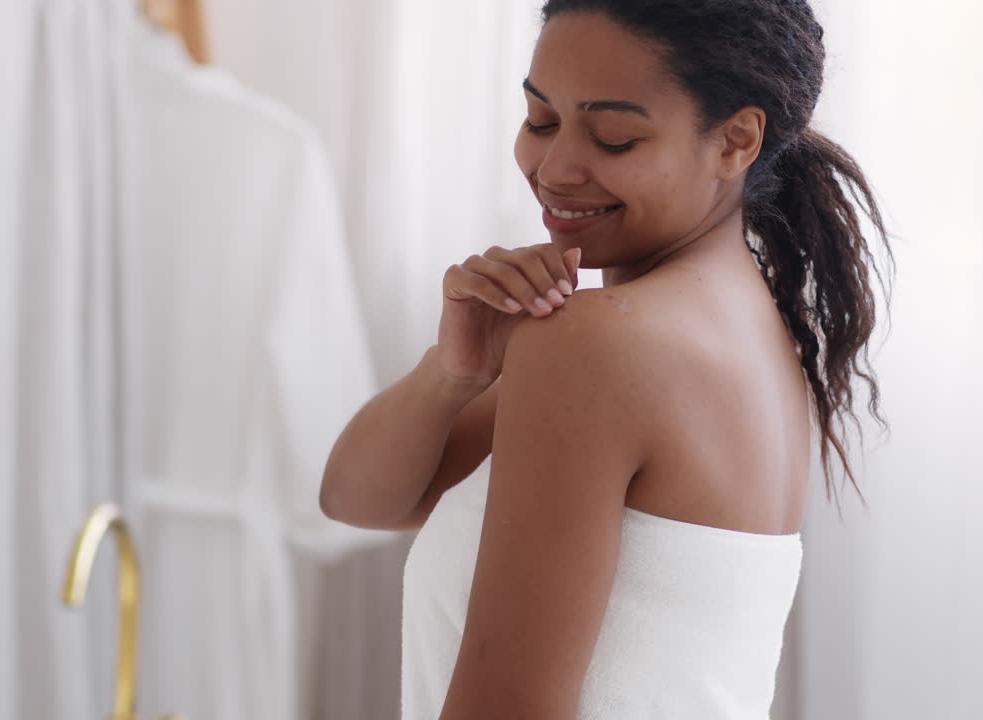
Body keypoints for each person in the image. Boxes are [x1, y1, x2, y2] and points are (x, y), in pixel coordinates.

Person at [320, 1, 893, 717]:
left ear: (736, 141)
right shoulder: (752, 326)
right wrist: (451, 372)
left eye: (615, 138)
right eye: (540, 121)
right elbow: (357, 500)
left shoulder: (600, 345)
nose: (554, 167)